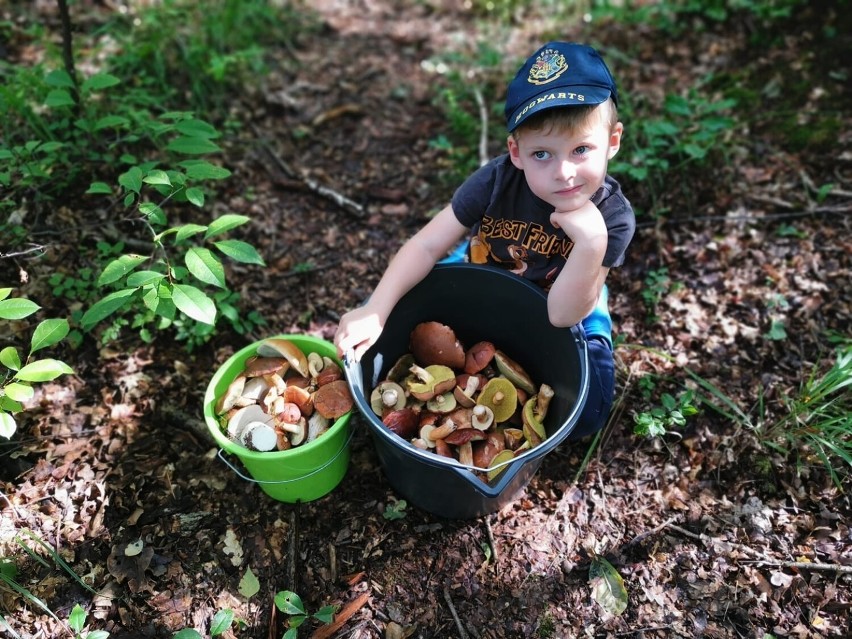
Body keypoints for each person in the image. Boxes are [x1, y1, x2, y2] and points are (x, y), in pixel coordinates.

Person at [335, 41, 635, 439]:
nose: (564, 172)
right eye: (542, 154)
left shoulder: (612, 217)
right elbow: (426, 245)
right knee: (391, 315)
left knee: (588, 412)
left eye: (581, 149)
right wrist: (375, 308)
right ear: (516, 152)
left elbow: (561, 316)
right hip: (488, 268)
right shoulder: (496, 182)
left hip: (568, 296)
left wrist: (592, 244)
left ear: (612, 142)